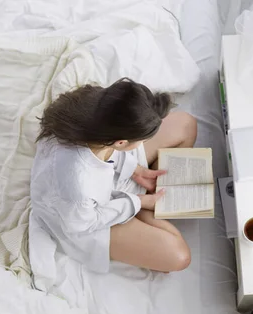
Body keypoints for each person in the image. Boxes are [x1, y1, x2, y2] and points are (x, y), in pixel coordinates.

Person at [30, 78, 197, 274]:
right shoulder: (77, 184)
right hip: (89, 220)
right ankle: (143, 213)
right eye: (143, 140)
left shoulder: (99, 108)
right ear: (121, 142)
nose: (146, 141)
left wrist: (135, 170)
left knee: (186, 124)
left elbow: (106, 151)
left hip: (106, 169)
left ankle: (146, 208)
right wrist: (138, 202)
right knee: (179, 257)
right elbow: (87, 222)